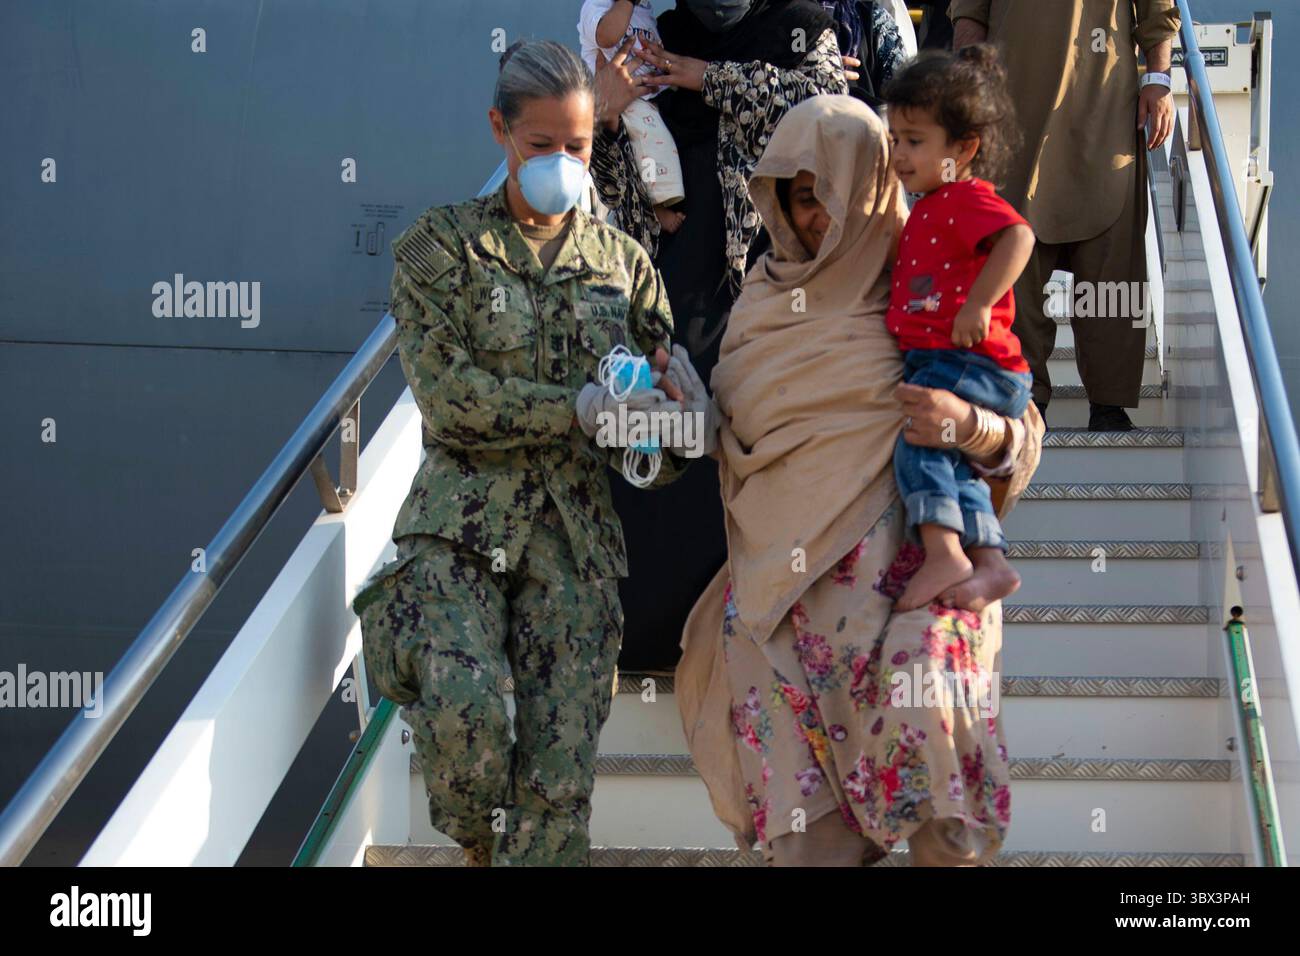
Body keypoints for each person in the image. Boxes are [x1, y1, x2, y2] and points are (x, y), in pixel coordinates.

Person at [668, 94, 1044, 865]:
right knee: (814, 846)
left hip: (919, 599)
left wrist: (965, 426)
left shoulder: (929, 276)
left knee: (944, 814)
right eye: (801, 198)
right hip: (784, 619)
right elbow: (741, 448)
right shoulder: (762, 307)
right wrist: (681, 415)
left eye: (832, 196)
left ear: (874, 186)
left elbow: (1019, 429)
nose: (817, 219)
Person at [351, 40, 692, 867]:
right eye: (542, 145)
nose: (563, 163)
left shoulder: (625, 268)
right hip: (461, 524)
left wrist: (667, 424)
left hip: (574, 543)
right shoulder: (443, 250)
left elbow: (658, 448)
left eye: (577, 146)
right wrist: (575, 410)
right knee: (464, 720)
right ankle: (473, 840)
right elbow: (451, 398)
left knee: (558, 787)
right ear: (500, 131)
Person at [588, 0, 852, 671]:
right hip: (677, 283)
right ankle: (655, 640)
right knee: (666, 444)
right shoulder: (662, 34)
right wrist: (608, 117)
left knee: (750, 448)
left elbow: (824, 114)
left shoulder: (802, 27)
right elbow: (619, 198)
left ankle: (751, 644)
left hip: (772, 287)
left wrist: (706, 77)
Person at [950, 1, 1179, 431]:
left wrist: (1158, 78)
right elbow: (969, 15)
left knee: (1112, 273)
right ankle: (1024, 400)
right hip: (1010, 115)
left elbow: (1157, 11)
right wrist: (967, 96)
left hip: (1107, 110)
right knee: (1013, 271)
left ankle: (1109, 405)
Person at [882, 47, 1035, 612]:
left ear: (963, 148)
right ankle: (990, 563)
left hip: (969, 361)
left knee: (918, 443)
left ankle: (943, 551)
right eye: (894, 138)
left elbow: (1020, 238)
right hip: (949, 360)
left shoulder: (963, 198)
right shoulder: (929, 204)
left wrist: (977, 304)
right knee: (954, 462)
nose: (899, 154)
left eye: (914, 141)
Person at [577, 1, 687, 233]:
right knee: (647, 145)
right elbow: (607, 36)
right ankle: (656, 209)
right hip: (623, 101)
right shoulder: (596, 5)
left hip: (650, 94)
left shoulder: (644, 8)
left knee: (659, 144)